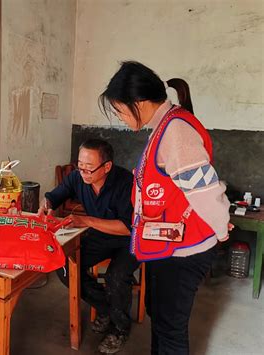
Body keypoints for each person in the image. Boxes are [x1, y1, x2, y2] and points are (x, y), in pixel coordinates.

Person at [98, 61, 232, 355]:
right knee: (161, 318)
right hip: (169, 243)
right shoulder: (165, 125)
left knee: (170, 329)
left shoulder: (176, 133)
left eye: (120, 109)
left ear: (140, 102)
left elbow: (206, 192)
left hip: (184, 251)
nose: (120, 118)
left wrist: (221, 229)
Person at [38, 139, 139, 354]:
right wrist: (45, 206)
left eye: (89, 168)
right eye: (80, 166)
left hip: (128, 241)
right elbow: (54, 196)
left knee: (116, 276)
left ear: (107, 166)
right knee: (65, 264)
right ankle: (108, 308)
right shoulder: (77, 177)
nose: (83, 172)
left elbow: (129, 228)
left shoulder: (126, 183)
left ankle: (120, 328)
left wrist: (87, 221)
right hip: (99, 237)